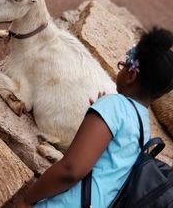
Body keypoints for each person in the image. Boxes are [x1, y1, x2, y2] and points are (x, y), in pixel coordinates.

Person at [16, 27, 173, 208]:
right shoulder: (143, 124)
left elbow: (71, 170)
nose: (120, 67)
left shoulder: (114, 105)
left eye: (124, 63)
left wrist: (28, 199)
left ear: (131, 75)